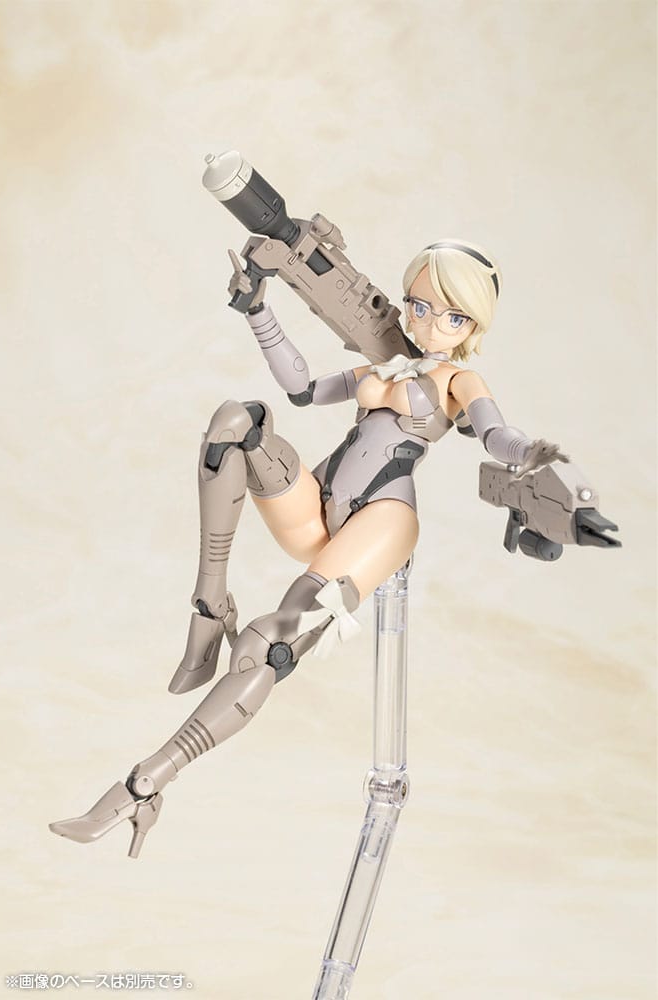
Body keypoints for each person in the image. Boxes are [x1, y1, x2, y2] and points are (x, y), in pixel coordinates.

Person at [49, 241, 566, 858]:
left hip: (383, 518)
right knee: (235, 423)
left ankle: (144, 785)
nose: (429, 324)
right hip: (319, 505)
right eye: (419, 306)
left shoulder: (458, 379)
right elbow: (302, 391)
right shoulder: (383, 365)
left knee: (270, 641)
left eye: (451, 316)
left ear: (473, 325)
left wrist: (528, 452)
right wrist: (258, 310)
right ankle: (210, 606)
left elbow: (495, 433)